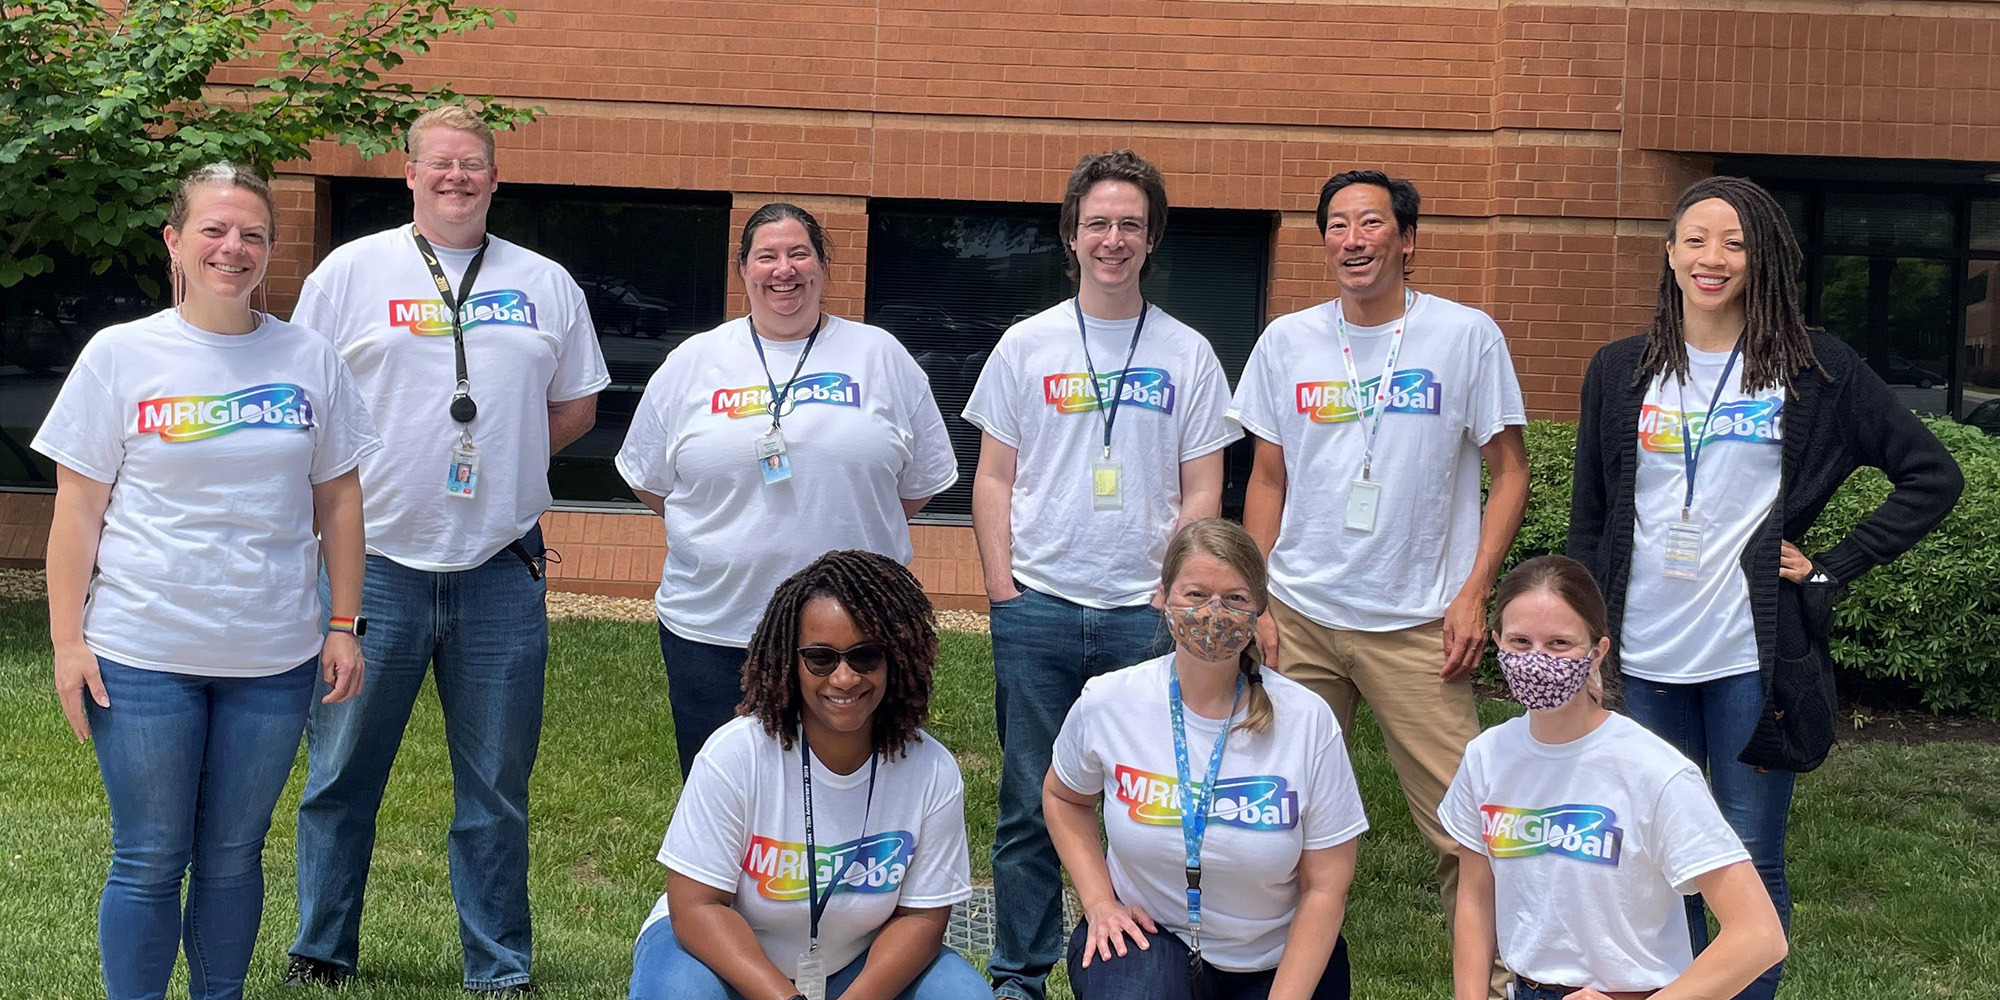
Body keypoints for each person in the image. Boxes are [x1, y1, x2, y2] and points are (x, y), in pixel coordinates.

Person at [1566, 175, 1963, 999]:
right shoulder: (1619, 371)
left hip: (1753, 659)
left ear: (1765, 258)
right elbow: (1591, 520)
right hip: (1640, 657)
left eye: (1736, 243)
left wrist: (1831, 566)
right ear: (1669, 252)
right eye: (1697, 240)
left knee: (1747, 860)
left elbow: (1930, 474)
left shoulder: (1814, 368)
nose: (1714, 259)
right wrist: (1584, 644)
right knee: (1657, 864)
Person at [285, 105, 611, 994]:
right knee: (340, 776)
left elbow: (575, 404)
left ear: (496, 178)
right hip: (373, 567)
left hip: (501, 569)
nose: (456, 178)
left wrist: (500, 454)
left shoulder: (546, 281)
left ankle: (499, 966)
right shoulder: (350, 272)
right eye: (440, 164)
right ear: (410, 175)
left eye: (473, 165)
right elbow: (307, 400)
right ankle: (322, 949)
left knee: (497, 791)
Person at [34, 163, 379, 1000]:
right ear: (175, 242)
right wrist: (68, 642)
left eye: (253, 234)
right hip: (142, 650)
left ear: (271, 248)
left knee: (233, 852)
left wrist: (344, 623)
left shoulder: (310, 357)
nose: (234, 248)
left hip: (273, 653)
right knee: (150, 853)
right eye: (215, 231)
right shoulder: (121, 355)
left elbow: (338, 499)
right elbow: (78, 509)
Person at [1228, 169, 1529, 987]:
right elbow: (1268, 480)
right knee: (1275, 815)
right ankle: (1268, 975)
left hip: (1419, 626)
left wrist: (1474, 595)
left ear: (1406, 238)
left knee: (1463, 826)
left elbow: (1510, 472)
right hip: (1302, 618)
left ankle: (1502, 982)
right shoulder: (1286, 341)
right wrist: (1257, 600)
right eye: (1336, 225)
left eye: (1369, 223)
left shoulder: (1465, 337)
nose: (1352, 240)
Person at [962, 149, 1240, 1000]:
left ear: (1151, 239)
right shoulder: (1027, 343)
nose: (1112, 239)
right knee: (1027, 805)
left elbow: (1204, 487)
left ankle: (1125, 959)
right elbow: (994, 476)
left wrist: (1178, 595)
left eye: (1129, 225)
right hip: (1040, 603)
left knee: (1137, 799)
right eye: (1097, 224)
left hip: (1143, 614)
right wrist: (1004, 592)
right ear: (1070, 237)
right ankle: (1018, 974)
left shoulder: (1188, 352)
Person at [617, 202, 958, 778]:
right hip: (718, 627)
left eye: (799, 253)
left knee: (856, 798)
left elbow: (915, 487)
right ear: (743, 269)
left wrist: (844, 518)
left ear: (824, 264)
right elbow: (653, 483)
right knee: (724, 804)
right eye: (767, 255)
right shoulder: (693, 362)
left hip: (855, 634)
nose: (784, 269)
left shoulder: (881, 357)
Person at [628, 549, 987, 1000]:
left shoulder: (930, 770)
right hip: (726, 963)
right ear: (790, 662)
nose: (843, 678)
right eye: (821, 658)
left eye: (865, 656)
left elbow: (921, 920)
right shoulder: (736, 755)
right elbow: (696, 907)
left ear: (895, 659)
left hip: (859, 966)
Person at [1045, 518, 1367, 1000]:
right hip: (1151, 939)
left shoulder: (1307, 720)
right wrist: (1098, 901)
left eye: (1235, 599)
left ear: (1260, 611)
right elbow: (1062, 796)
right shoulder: (1109, 701)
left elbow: (1326, 888)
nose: (1213, 612)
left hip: (1275, 957)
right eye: (1195, 594)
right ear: (1163, 598)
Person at [1442, 555, 1789, 1000]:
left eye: (1560, 644)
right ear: (1497, 642)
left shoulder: (1655, 773)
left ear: (1597, 652)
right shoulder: (1486, 757)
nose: (1537, 660)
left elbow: (1760, 935)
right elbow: (1475, 897)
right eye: (1521, 641)